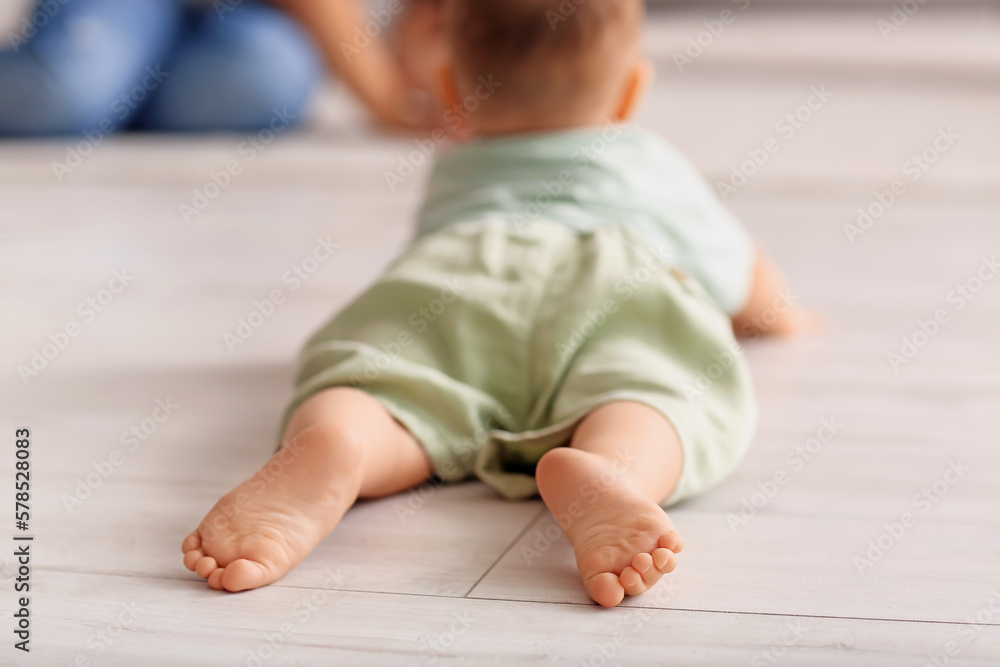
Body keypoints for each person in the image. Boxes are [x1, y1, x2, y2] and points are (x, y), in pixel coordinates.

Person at [181, 0, 812, 607]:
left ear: (453, 92)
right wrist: (782, 314)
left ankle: (346, 441)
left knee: (386, 382)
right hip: (609, 283)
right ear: (629, 93)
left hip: (457, 277)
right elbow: (748, 282)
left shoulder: (455, 166)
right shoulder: (646, 162)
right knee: (656, 392)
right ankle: (614, 471)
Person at [0, 0, 440, 135]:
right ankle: (108, 89)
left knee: (269, 76)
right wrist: (391, 102)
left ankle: (121, 90)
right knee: (62, 94)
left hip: (243, 15)